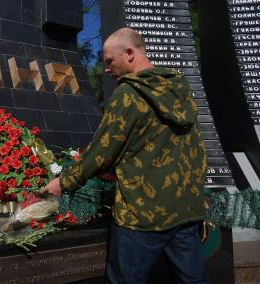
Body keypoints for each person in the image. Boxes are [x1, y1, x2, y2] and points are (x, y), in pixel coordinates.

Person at [40, 27, 210, 284]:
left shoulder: (128, 94)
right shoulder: (180, 89)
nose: (107, 69)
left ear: (129, 53)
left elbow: (102, 151)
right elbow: (197, 149)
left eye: (109, 61)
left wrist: (63, 182)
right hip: (186, 211)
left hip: (142, 216)